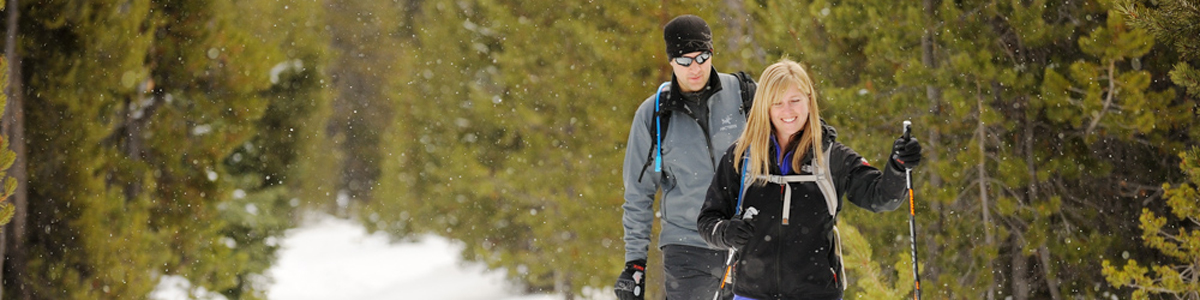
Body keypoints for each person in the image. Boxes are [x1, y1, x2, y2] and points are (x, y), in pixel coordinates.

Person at [696, 58, 922, 300]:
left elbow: (881, 197)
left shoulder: (832, 157)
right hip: (751, 293)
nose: (788, 111)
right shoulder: (742, 156)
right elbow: (708, 220)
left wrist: (898, 167)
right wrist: (725, 232)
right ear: (765, 107)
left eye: (795, 100)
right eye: (778, 103)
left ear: (809, 101)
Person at [614, 14, 757, 300]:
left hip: (748, 240)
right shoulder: (654, 115)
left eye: (702, 57)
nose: (695, 68)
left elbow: (789, 129)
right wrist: (635, 263)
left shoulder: (743, 95)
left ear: (712, 53)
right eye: (684, 60)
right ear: (671, 62)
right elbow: (638, 194)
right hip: (688, 246)